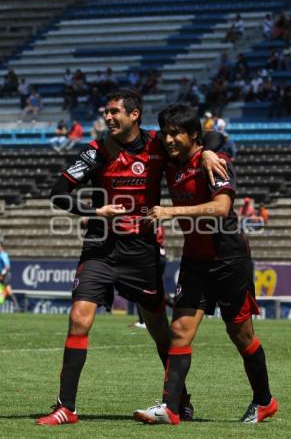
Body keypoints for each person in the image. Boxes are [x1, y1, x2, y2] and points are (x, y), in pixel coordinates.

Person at [36, 89, 227, 426]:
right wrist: (96, 211)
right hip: (101, 246)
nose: (108, 118)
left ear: (134, 115)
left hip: (142, 250)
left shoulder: (158, 144)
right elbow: (57, 194)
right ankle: (66, 407)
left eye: (114, 112)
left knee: (157, 329)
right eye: (106, 112)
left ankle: (178, 399)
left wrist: (210, 152)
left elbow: (208, 136)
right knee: (79, 318)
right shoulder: (96, 151)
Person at [134, 103, 278, 425]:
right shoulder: (173, 160)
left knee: (241, 335)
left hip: (229, 259)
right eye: (167, 133)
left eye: (176, 134)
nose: (169, 140)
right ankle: (172, 407)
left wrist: (170, 213)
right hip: (194, 260)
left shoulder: (215, 162)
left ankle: (265, 401)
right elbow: (149, 136)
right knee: (180, 330)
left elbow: (222, 207)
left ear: (193, 135)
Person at [0, 242, 20, 311]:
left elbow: (7, 267)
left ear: (1, 247)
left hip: (5, 275)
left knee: (6, 290)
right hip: (3, 275)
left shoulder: (3, 255)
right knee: (7, 290)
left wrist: (2, 274)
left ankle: (16, 306)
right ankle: (16, 306)